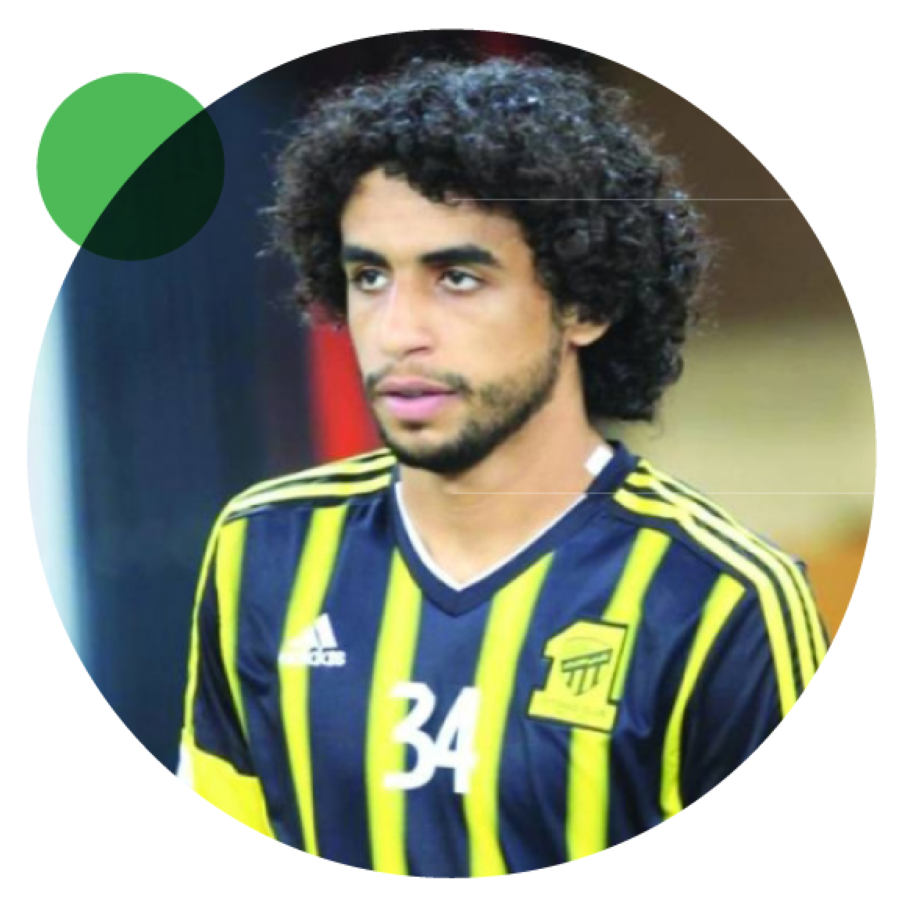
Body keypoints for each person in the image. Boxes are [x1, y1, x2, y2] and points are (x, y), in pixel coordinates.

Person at [177, 55, 827, 876]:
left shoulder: (722, 600)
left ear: (585, 304)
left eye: (456, 278)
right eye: (369, 277)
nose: (396, 330)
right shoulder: (263, 547)